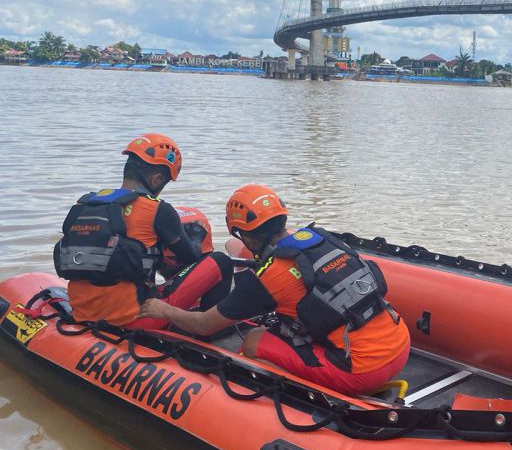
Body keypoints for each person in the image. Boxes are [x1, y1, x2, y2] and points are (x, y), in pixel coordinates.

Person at [139, 184, 411, 395]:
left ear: (243, 235)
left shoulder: (270, 275)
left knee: (256, 340)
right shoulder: (324, 240)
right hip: (401, 344)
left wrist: (165, 309)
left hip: (362, 370)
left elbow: (205, 325)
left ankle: (308, 400)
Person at [55, 134, 231, 327]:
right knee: (220, 261)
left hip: (83, 313)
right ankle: (208, 329)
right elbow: (191, 258)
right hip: (135, 317)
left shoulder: (85, 204)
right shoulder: (158, 209)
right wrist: (196, 237)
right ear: (156, 179)